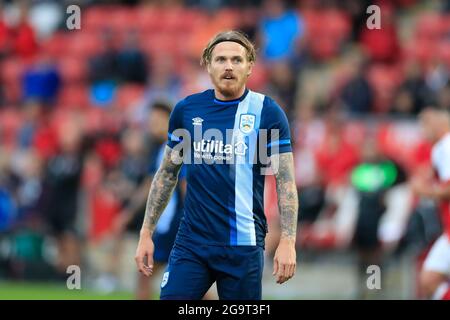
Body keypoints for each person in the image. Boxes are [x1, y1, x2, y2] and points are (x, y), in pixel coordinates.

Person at [134, 30, 298, 300]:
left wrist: (288, 241)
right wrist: (146, 233)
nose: (229, 66)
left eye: (237, 60)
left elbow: (286, 181)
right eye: (221, 59)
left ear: (250, 67)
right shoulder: (187, 110)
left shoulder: (267, 112)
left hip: (243, 245)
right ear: (208, 65)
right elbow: (166, 175)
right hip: (192, 243)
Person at [412, 107, 450, 300]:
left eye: (425, 124)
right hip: (448, 229)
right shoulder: (440, 148)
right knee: (429, 279)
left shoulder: (446, 146)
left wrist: (424, 190)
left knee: (429, 279)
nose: (423, 130)